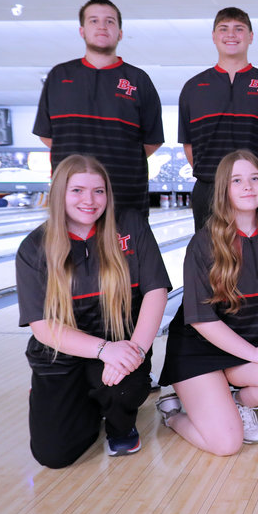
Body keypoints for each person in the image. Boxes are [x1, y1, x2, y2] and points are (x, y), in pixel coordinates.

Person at [15, 154, 170, 468]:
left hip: (121, 337)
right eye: (77, 190)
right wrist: (103, 350)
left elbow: (156, 292)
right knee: (54, 455)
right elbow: (44, 327)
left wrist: (135, 351)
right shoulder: (34, 248)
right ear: (60, 193)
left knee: (124, 388)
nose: (90, 200)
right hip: (63, 351)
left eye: (98, 191)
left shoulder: (130, 225)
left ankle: (119, 421)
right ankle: (73, 401)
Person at [157, 150, 258, 454]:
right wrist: (256, 354)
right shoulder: (203, 243)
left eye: (255, 178)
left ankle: (236, 401)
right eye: (237, 180)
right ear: (224, 190)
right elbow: (201, 320)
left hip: (248, 349)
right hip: (199, 351)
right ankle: (173, 414)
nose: (248, 186)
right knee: (226, 444)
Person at [34, 0, 164, 216]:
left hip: (125, 197)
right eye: (94, 20)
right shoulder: (59, 76)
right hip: (70, 198)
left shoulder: (138, 79)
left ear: (120, 33)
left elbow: (152, 141)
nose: (102, 26)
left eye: (110, 21)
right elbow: (47, 135)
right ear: (82, 30)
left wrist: (120, 159)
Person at [178, 7, 258, 230]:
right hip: (209, 190)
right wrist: (217, 177)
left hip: (257, 192)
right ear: (214, 36)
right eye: (224, 28)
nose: (231, 34)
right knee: (208, 260)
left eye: (239, 29)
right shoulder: (193, 88)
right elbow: (189, 145)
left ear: (250, 37)